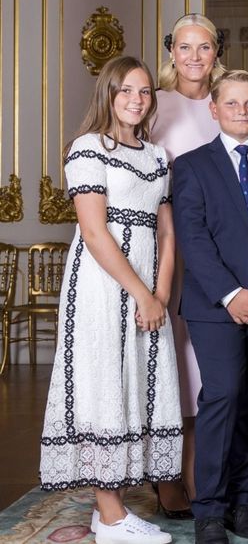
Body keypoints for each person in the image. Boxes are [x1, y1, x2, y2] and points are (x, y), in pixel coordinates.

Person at [39, 56, 179, 544]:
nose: (136, 99)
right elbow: (95, 233)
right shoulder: (87, 149)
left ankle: (110, 514)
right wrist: (141, 291)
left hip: (147, 282)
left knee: (135, 384)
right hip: (102, 284)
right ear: (108, 94)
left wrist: (159, 292)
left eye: (144, 91)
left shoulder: (159, 156)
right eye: (126, 91)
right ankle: (112, 516)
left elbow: (166, 229)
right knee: (103, 384)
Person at [173, 70, 248, 544]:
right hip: (214, 305)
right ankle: (209, 507)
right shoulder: (191, 166)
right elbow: (193, 237)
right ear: (214, 109)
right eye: (232, 104)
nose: (242, 112)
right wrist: (231, 294)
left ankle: (242, 503)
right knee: (222, 396)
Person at [149, 12, 229, 519]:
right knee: (167, 360)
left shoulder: (228, 103)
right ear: (171, 52)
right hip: (162, 248)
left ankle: (199, 472)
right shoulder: (152, 105)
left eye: (204, 48)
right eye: (185, 47)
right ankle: (165, 476)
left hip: (214, 251)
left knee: (202, 366)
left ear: (217, 52)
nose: (195, 57)